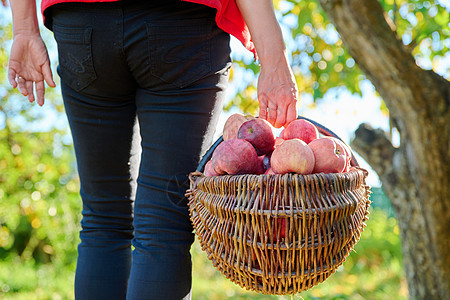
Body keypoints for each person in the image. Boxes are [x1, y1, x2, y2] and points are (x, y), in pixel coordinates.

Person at [8, 0, 298, 299]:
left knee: (102, 219)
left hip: (82, 24)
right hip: (182, 25)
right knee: (164, 226)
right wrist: (274, 59)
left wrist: (25, 30)